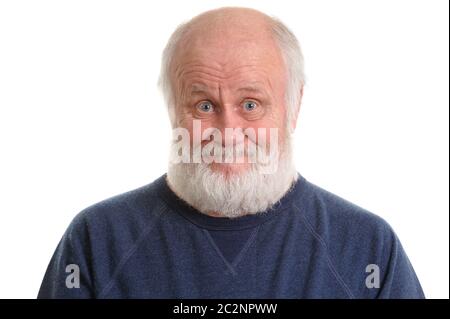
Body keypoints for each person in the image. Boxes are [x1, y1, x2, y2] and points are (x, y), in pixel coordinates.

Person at [38, 7, 424, 298]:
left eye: (252, 105)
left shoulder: (369, 246)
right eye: (204, 106)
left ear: (294, 106)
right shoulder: (96, 239)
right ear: (172, 109)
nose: (229, 133)